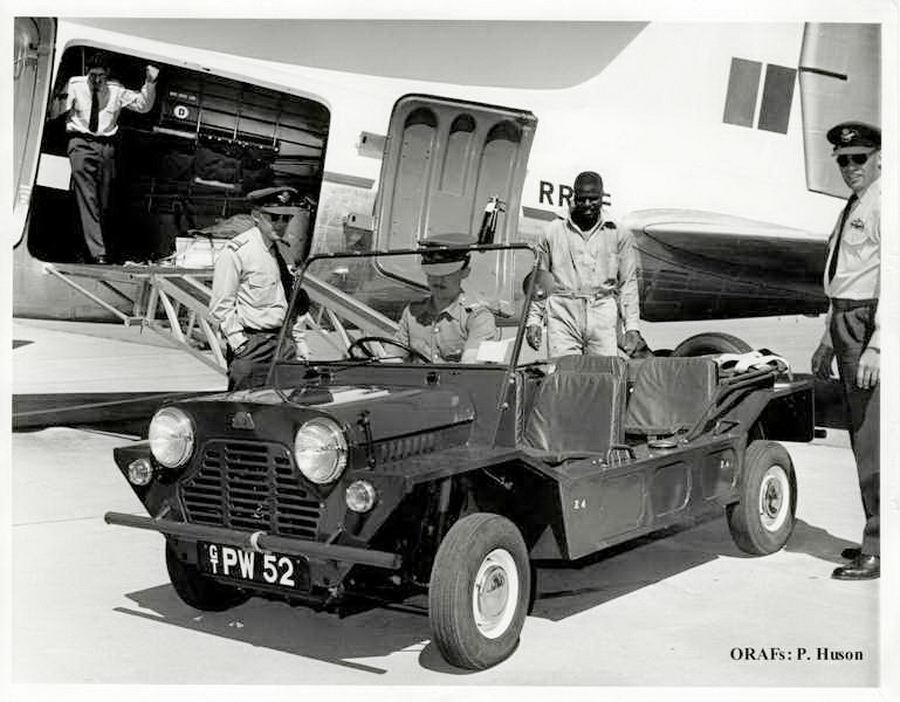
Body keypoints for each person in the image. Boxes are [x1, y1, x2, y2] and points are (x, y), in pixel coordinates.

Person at [810, 122, 881, 581]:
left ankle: (878, 545)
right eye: (843, 160)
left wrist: (878, 343)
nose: (850, 168)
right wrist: (826, 338)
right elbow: (842, 276)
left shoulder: (885, 202)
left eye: (858, 158)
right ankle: (879, 534)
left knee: (874, 438)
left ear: (879, 157)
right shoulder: (855, 205)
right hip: (845, 320)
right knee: (861, 436)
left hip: (869, 323)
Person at [50, 52, 159, 264]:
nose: (96, 81)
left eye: (101, 76)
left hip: (106, 148)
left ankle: (89, 247)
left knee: (104, 201)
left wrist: (150, 82)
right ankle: (97, 252)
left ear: (107, 74)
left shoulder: (116, 90)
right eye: (93, 75)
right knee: (87, 197)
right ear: (87, 73)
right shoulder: (75, 85)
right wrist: (58, 97)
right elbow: (54, 112)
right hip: (80, 143)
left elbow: (143, 106)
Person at [525, 171, 645, 357]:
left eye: (593, 199)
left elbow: (628, 284)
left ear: (602, 197)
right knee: (563, 377)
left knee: (602, 378)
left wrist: (632, 327)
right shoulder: (552, 231)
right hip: (562, 313)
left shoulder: (619, 233)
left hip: (602, 311)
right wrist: (533, 321)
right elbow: (540, 281)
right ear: (574, 197)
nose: (588, 205)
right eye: (582, 199)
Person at [209, 186, 308, 390]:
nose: (280, 224)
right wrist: (240, 343)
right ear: (256, 216)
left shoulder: (285, 251)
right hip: (253, 345)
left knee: (287, 409)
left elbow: (294, 301)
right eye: (273, 217)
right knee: (245, 412)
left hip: (283, 344)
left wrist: (299, 341)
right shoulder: (237, 252)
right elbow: (221, 305)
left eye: (286, 219)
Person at [394, 241, 498, 362]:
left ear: (465, 272)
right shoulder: (412, 313)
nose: (439, 280)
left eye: (448, 273)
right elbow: (392, 359)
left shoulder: (480, 317)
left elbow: (472, 367)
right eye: (433, 272)